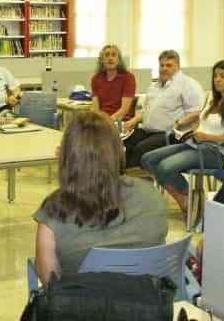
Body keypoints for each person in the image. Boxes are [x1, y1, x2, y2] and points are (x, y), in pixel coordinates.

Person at [33, 111, 167, 283]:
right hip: (148, 305)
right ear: (120, 150)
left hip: (81, 308)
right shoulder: (152, 195)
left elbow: (48, 281)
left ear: (66, 156)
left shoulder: (54, 209)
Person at [141, 60, 224, 215]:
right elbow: (202, 124)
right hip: (195, 144)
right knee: (147, 159)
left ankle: (187, 201)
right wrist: (190, 131)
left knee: (164, 167)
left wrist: (205, 136)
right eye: (215, 76)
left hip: (216, 152)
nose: (217, 79)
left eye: (222, 76)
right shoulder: (211, 98)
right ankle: (185, 198)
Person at [122, 50, 204, 171]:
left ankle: (139, 183)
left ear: (178, 66)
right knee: (123, 144)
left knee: (141, 149)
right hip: (147, 131)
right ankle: (123, 179)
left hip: (169, 134)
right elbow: (147, 111)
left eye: (169, 65)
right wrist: (134, 120)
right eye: (162, 65)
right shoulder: (155, 86)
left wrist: (179, 123)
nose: (164, 68)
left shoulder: (188, 84)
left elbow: (197, 113)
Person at [91, 44, 136, 122]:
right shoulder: (96, 79)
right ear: (102, 60)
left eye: (114, 55)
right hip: (102, 121)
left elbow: (124, 110)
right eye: (107, 55)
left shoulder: (128, 78)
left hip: (121, 121)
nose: (110, 58)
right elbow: (96, 109)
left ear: (119, 60)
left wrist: (108, 122)